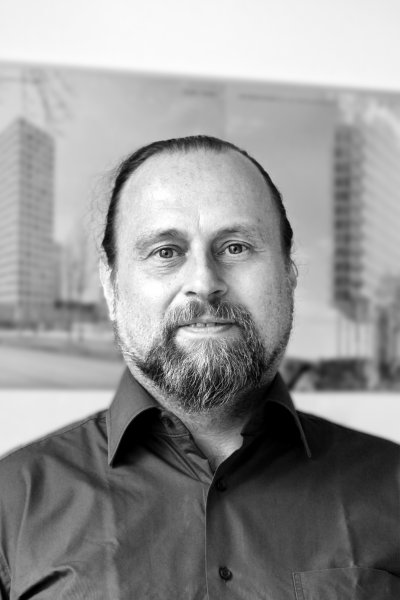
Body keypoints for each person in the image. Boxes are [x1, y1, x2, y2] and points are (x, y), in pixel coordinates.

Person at [0, 135, 399, 599]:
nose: (204, 283)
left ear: (289, 274)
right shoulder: (11, 501)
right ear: (111, 285)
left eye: (236, 247)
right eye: (166, 252)